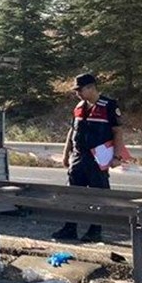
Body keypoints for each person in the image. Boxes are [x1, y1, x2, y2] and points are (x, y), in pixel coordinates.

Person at [52, 73, 126, 243]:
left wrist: (117, 156)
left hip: (98, 157)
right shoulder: (79, 106)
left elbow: (117, 132)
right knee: (74, 193)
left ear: (91, 87)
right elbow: (72, 131)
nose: (77, 93)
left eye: (80, 90)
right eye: (76, 90)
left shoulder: (109, 105)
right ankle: (70, 228)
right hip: (78, 157)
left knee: (97, 194)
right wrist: (66, 153)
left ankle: (95, 230)